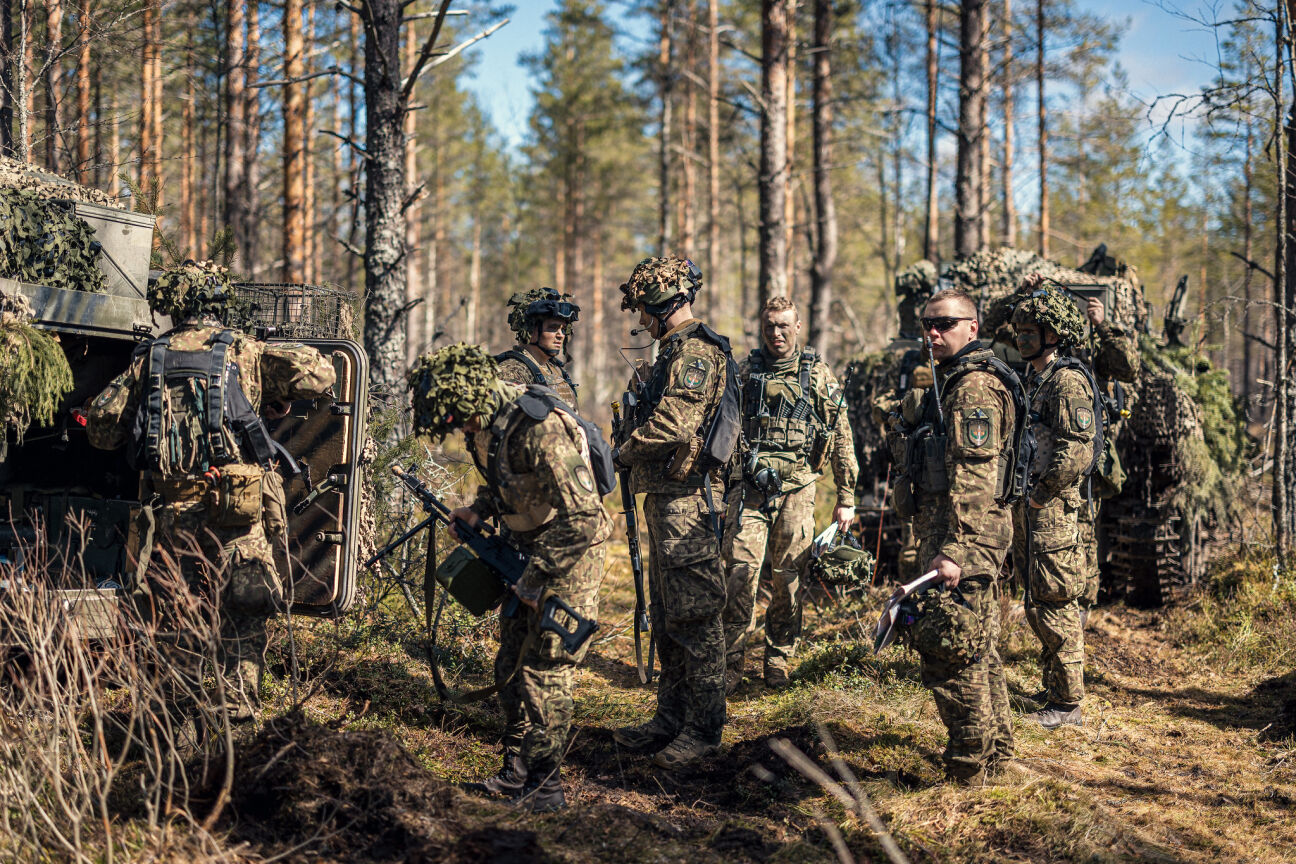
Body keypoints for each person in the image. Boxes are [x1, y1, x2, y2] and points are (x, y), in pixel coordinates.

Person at [85, 260, 337, 718]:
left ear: (176, 305)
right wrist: (267, 384)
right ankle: (234, 723)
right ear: (220, 303)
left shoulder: (149, 359)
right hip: (237, 516)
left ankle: (175, 729)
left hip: (172, 516)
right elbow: (322, 376)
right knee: (243, 613)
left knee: (175, 620)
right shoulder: (246, 350)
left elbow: (101, 432)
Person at [409, 344, 611, 812]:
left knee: (547, 669)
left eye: (460, 419)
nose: (459, 431)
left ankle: (546, 789)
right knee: (510, 665)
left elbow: (581, 517)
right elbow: (508, 479)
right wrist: (479, 511)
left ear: (475, 398)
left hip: (571, 551)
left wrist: (536, 578)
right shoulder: (488, 427)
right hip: (528, 547)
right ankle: (515, 772)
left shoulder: (539, 429)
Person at [610, 256, 735, 770]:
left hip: (691, 501)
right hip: (667, 499)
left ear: (664, 304)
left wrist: (621, 451)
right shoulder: (671, 352)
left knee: (697, 617)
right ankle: (671, 717)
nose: (640, 320)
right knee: (665, 615)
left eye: (643, 309)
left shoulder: (696, 352)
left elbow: (675, 423)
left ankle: (704, 731)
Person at [888, 286, 1016, 784]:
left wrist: (953, 552)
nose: (933, 334)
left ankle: (966, 772)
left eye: (944, 324)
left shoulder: (974, 389)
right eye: (927, 325)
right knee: (979, 649)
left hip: (963, 542)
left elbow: (977, 482)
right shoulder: (952, 381)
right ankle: (998, 759)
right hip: (958, 537)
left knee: (951, 652)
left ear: (973, 327)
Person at [721, 296, 857, 692]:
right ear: (761, 327)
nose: (776, 333)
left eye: (784, 326)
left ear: (797, 327)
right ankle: (731, 663)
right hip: (750, 489)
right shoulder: (746, 371)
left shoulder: (816, 374)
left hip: (798, 488)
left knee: (788, 577)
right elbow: (726, 429)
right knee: (739, 574)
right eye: (770, 326)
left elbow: (841, 434)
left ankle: (778, 660)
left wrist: (846, 498)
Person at [1010, 280, 1097, 729]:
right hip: (1031, 509)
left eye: (1031, 330)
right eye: (1020, 329)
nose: (1021, 337)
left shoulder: (1066, 381)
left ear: (1054, 334)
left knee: (1055, 602)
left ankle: (1068, 705)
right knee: (1036, 602)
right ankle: (1054, 690)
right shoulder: (1033, 379)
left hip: (1053, 512)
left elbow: (1077, 451)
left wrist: (1041, 495)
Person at [1076, 296, 1139, 619]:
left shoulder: (1092, 353)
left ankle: (1083, 607)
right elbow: (990, 331)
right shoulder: (1036, 346)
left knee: (1084, 531)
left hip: (1086, 455)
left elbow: (1128, 365)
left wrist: (1101, 325)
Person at [496, 287, 580, 409]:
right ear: (530, 329)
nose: (561, 335)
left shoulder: (555, 370)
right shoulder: (511, 372)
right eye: (553, 328)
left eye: (563, 329)